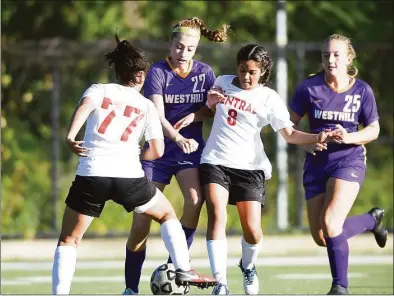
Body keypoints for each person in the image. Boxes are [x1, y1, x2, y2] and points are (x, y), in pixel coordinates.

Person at [51, 33, 217, 295]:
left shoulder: (99, 89)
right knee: (167, 215)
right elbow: (157, 149)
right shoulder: (145, 104)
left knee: (69, 240)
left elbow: (85, 106)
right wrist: (135, 156)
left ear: (117, 71)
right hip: (130, 176)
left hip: (92, 174)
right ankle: (183, 267)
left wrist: (71, 136)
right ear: (140, 76)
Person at [200, 44, 341, 295]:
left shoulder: (269, 98)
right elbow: (207, 109)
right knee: (216, 215)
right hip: (216, 161)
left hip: (250, 168)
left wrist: (319, 137)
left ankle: (248, 264)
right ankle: (220, 282)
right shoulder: (221, 82)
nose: (246, 76)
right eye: (242, 69)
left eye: (252, 72)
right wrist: (211, 103)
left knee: (253, 231)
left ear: (263, 71)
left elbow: (289, 135)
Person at [123, 17, 229, 295]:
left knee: (195, 200)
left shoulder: (205, 73)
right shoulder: (158, 72)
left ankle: (177, 269)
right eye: (179, 47)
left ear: (196, 49)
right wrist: (178, 137)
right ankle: (130, 288)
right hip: (157, 152)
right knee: (142, 220)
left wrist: (196, 114)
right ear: (170, 45)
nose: (183, 53)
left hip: (189, 152)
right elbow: (157, 114)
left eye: (190, 48)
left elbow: (210, 109)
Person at [289, 34, 388, 295]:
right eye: (325, 55)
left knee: (332, 222)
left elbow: (374, 129)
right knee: (323, 237)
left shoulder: (361, 90)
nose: (330, 60)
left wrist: (349, 137)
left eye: (335, 54)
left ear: (348, 57)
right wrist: (308, 141)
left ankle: (339, 287)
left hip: (349, 160)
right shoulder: (308, 88)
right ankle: (371, 220)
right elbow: (287, 127)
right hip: (316, 165)